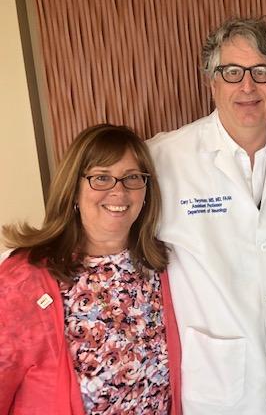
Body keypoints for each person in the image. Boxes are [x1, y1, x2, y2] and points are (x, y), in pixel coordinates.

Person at [147, 16, 266, 414]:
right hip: (215, 379)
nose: (247, 86)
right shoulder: (165, 158)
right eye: (231, 72)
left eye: (262, 72)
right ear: (211, 81)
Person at [0, 124, 182, 415]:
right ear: (73, 190)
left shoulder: (161, 267)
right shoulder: (24, 277)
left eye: (132, 177)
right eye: (101, 178)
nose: (118, 191)